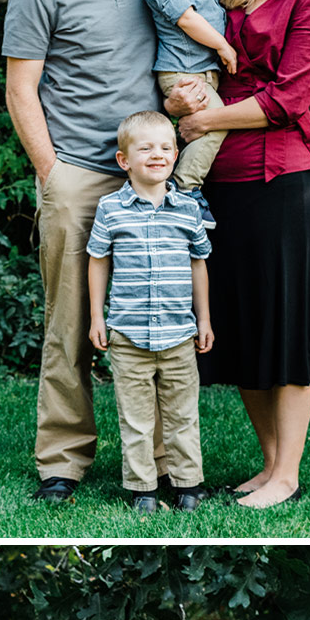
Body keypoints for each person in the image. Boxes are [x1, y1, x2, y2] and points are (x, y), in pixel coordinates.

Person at [2, 0, 204, 504]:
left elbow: (198, 21)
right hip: (80, 174)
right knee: (70, 321)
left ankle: (173, 467)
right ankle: (63, 462)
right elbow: (21, 88)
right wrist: (51, 171)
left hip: (157, 176)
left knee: (165, 317)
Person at [178, 0, 310, 508]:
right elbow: (181, 58)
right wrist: (181, 99)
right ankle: (268, 465)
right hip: (219, 182)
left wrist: (205, 119)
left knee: (288, 328)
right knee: (242, 326)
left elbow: (289, 100)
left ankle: (288, 475)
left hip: (281, 181)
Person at [87, 112, 212, 515]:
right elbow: (97, 260)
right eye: (146, 148)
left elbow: (199, 264)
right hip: (128, 333)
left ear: (176, 155)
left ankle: (188, 485)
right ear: (124, 160)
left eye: (165, 147)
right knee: (137, 418)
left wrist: (204, 319)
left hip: (179, 332)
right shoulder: (110, 209)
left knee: (182, 415)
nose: (157, 155)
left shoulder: (188, 209)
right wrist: (96, 317)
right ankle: (143, 488)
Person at [145, 0, 235, 193]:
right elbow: (187, 18)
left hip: (202, 71)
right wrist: (224, 46)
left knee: (199, 132)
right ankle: (185, 190)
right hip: (183, 72)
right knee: (214, 127)